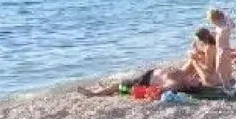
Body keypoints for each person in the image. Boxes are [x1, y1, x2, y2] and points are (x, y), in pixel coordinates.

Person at [78, 28, 219, 96]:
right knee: (121, 81)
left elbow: (156, 92)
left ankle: (95, 94)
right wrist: (197, 51)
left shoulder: (175, 84)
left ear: (188, 86)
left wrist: (138, 92)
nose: (197, 79)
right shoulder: (184, 75)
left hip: (146, 80)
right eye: (198, 80)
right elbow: (196, 60)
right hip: (151, 73)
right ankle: (105, 89)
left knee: (120, 85)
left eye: (196, 82)